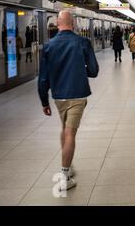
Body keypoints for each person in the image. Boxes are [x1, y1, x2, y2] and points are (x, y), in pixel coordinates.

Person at [38, 10, 99, 192]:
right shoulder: (82, 43)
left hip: (58, 96)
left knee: (65, 129)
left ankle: (69, 165)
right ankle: (64, 177)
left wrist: (44, 102)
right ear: (73, 23)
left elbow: (43, 79)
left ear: (58, 23)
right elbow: (94, 71)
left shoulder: (48, 46)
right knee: (70, 133)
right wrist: (82, 70)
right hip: (78, 94)